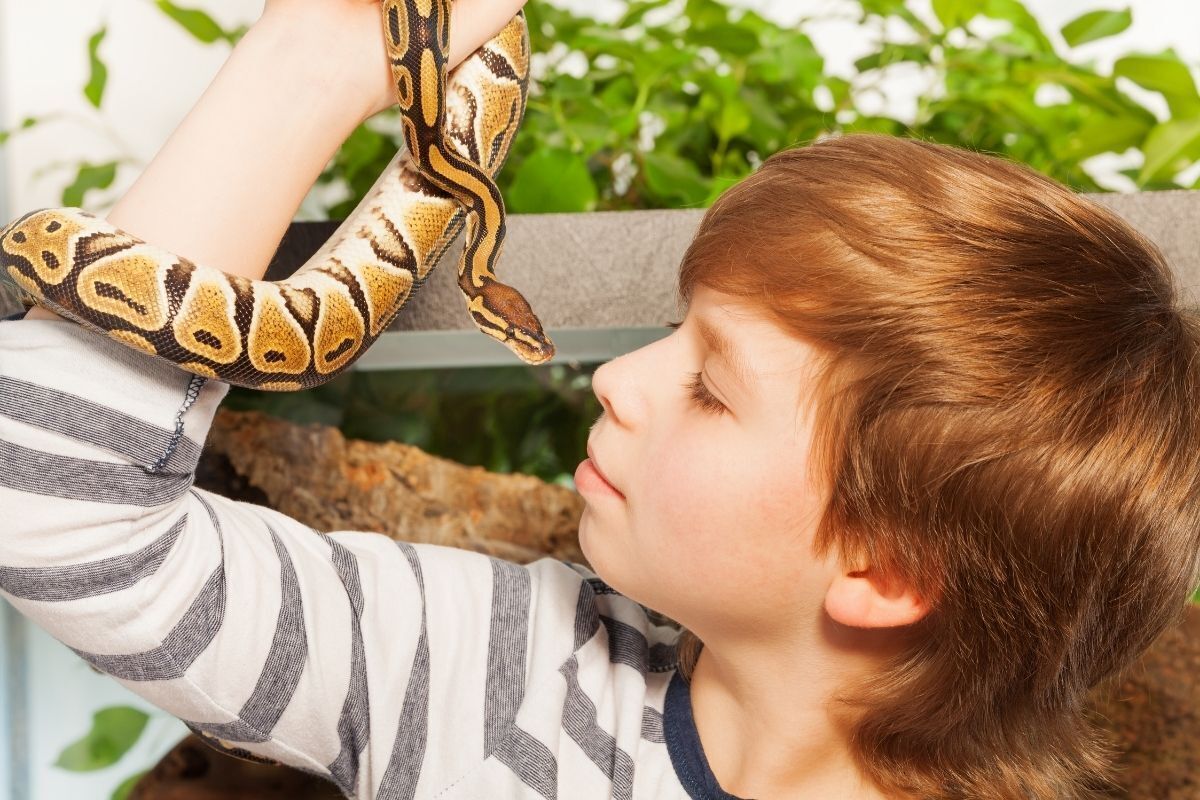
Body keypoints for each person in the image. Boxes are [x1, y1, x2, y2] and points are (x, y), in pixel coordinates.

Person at [3, 1, 1199, 798]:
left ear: (885, 570)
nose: (615, 378)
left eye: (712, 388)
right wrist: (309, 61)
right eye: (663, 335)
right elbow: (52, 501)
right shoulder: (486, 666)